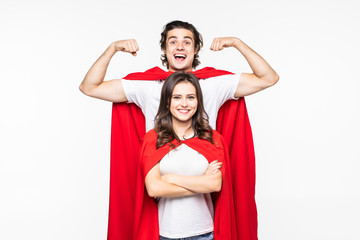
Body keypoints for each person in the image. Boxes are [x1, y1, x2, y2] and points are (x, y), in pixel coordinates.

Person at [79, 20, 279, 240]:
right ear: (165, 49)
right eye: (173, 42)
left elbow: (268, 78)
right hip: (160, 179)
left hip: (201, 169)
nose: (180, 46)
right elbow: (90, 87)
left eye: (187, 42)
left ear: (195, 49)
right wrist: (112, 49)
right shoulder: (146, 86)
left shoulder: (213, 84)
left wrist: (237, 43)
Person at [136, 71, 234, 240]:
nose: (184, 104)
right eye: (176, 97)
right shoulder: (154, 138)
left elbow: (215, 184)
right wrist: (202, 182)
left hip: (204, 233)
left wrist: (170, 178)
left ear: (198, 101)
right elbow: (154, 189)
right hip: (165, 234)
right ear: (167, 102)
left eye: (190, 97)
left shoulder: (211, 138)